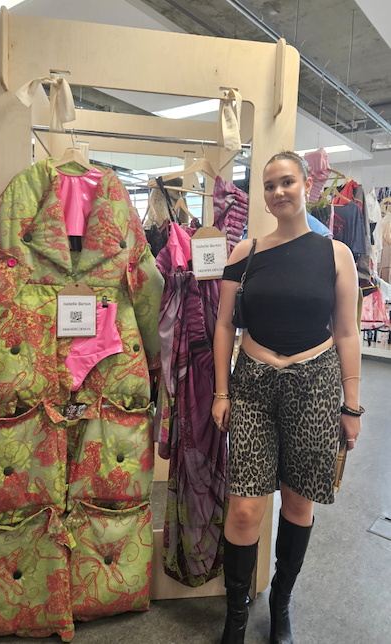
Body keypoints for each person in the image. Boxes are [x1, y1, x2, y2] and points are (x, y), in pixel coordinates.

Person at [212, 151, 362, 644]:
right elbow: (224, 326)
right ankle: (236, 614)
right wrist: (220, 390)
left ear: (306, 186)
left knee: (298, 503)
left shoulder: (335, 254)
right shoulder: (245, 252)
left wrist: (351, 405)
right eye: (269, 185)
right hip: (253, 387)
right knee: (244, 510)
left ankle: (281, 604)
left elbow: (347, 332)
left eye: (287, 182)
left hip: (315, 386)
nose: (278, 192)